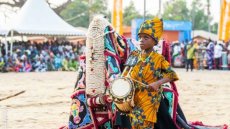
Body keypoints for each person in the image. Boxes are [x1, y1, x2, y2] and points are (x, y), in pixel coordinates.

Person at [122, 17, 178, 129]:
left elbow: (172, 75)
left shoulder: (159, 59)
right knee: (134, 125)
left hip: (149, 99)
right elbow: (125, 73)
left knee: (145, 125)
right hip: (134, 99)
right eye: (140, 37)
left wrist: (157, 84)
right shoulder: (134, 54)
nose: (141, 40)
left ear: (154, 41)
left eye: (146, 38)